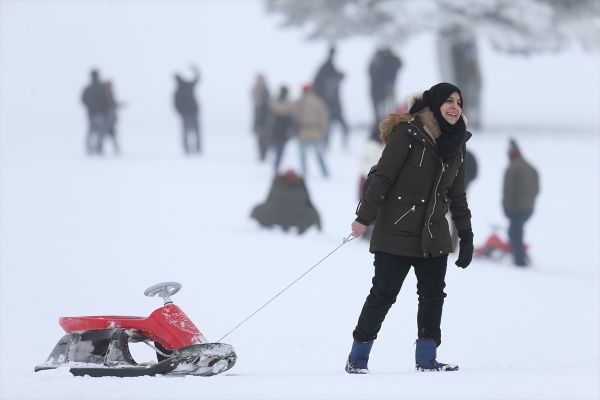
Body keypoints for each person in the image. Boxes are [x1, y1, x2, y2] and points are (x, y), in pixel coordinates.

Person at [346, 83, 474, 374]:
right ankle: (358, 358)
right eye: (448, 101)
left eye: (459, 102)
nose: (455, 107)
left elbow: (457, 195)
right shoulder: (408, 133)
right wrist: (363, 219)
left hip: (434, 234)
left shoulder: (457, 143)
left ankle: (427, 360)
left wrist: (466, 235)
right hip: (396, 231)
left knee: (432, 296)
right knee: (383, 295)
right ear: (434, 104)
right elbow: (383, 178)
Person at [502, 138, 539, 267]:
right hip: (529, 208)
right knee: (516, 232)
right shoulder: (531, 167)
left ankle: (519, 261)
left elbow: (508, 191)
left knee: (515, 233)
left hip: (517, 208)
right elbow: (537, 188)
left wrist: (506, 208)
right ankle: (520, 256)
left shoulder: (512, 168)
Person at [314, 46, 349, 149]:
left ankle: (340, 144)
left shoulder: (329, 70)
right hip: (330, 108)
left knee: (340, 127)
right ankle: (326, 144)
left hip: (334, 109)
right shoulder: (328, 70)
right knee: (329, 127)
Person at [294, 84, 329, 178]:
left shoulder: (298, 102)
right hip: (315, 133)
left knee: (302, 157)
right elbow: (323, 118)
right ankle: (325, 173)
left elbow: (293, 116)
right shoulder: (318, 102)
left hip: (302, 133)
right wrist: (324, 131)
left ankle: (304, 174)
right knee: (319, 156)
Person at [81, 69, 111, 155]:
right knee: (99, 132)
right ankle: (97, 148)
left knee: (92, 132)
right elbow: (107, 101)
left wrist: (90, 107)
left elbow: (83, 100)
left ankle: (91, 148)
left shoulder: (88, 88)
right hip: (100, 113)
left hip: (92, 113)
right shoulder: (101, 88)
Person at [268, 85, 295, 174]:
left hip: (276, 131)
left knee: (277, 150)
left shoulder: (273, 103)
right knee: (279, 151)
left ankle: (275, 167)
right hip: (281, 131)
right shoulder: (289, 105)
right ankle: (276, 166)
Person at [174, 65, 201, 154]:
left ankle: (197, 149)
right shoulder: (184, 88)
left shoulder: (186, 86)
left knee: (195, 132)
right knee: (189, 132)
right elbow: (176, 105)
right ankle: (188, 150)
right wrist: (181, 113)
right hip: (188, 114)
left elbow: (197, 78)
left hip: (193, 112)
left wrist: (195, 69)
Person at [251, 73, 272, 161]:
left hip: (266, 120)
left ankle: (264, 155)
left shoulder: (267, 91)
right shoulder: (255, 91)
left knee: (265, 139)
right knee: (260, 139)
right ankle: (261, 155)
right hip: (259, 120)